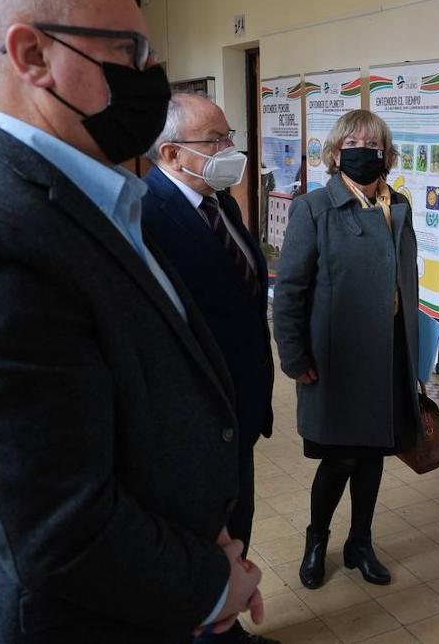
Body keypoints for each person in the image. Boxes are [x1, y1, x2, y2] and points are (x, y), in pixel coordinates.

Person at [0, 0, 263, 643]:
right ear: (32, 54)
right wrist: (213, 582)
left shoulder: (92, 195)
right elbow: (53, 522)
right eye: (131, 52)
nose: (150, 79)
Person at [142, 93, 278, 644]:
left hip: (238, 405)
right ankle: (207, 630)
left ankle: (229, 626)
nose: (230, 150)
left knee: (236, 521)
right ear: (172, 154)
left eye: (230, 137)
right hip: (194, 418)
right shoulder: (146, 215)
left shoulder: (220, 201)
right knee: (203, 532)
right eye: (216, 141)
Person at [273, 109, 422, 590]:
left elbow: (408, 286)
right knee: (340, 458)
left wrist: (414, 360)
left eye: (374, 142)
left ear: (386, 153)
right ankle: (317, 540)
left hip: (388, 355)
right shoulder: (313, 207)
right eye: (354, 141)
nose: (364, 148)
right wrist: (295, 358)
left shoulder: (397, 204)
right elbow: (290, 289)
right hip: (334, 360)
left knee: (374, 454)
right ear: (336, 153)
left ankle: (361, 542)